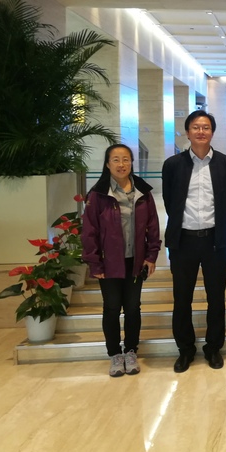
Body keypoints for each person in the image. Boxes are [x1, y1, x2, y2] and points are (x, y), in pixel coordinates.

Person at [162, 110, 226, 373]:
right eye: (196, 127)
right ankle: (185, 349)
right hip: (183, 241)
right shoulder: (173, 164)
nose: (201, 132)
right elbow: (170, 202)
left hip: (215, 240)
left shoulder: (225, 163)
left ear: (212, 132)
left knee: (216, 297)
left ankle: (213, 348)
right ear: (187, 132)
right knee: (182, 298)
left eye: (206, 127)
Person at [82, 144, 161, 377]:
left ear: (132, 163)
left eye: (125, 159)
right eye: (115, 160)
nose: (121, 164)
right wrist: (94, 262)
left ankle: (131, 350)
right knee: (112, 307)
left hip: (135, 261)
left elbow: (153, 226)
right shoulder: (98, 195)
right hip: (109, 262)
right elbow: (89, 231)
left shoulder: (143, 193)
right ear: (107, 164)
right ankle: (115, 354)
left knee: (133, 307)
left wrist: (151, 256)